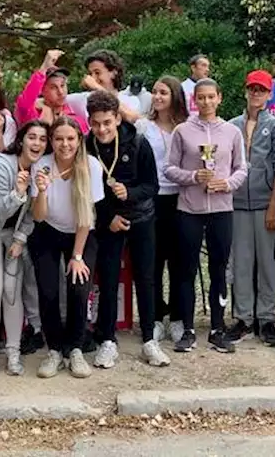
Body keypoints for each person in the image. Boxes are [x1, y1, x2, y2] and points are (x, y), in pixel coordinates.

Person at [85, 90, 168, 368]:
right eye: (96, 123)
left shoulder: (138, 142)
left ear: (117, 118)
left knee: (145, 279)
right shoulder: (86, 147)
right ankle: (107, 340)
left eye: (107, 122)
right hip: (108, 222)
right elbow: (85, 192)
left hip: (141, 218)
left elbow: (152, 186)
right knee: (107, 280)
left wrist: (129, 193)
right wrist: (108, 217)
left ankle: (148, 339)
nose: (102, 129)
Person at [164, 79, 247, 354]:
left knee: (219, 269)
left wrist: (227, 184)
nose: (206, 102)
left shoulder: (231, 131)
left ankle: (216, 327)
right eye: (201, 98)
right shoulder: (182, 131)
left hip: (222, 209)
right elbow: (169, 168)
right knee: (186, 269)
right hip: (189, 209)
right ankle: (187, 329)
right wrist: (192, 176)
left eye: (211, 97)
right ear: (194, 101)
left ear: (219, 98)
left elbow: (241, 169)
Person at [0, 120, 47, 377]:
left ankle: (13, 351)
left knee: (12, 292)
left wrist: (21, 239)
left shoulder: (40, 170)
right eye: (32, 137)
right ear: (21, 139)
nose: (36, 143)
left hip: (13, 235)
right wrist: (18, 191)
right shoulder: (0, 165)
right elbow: (1, 210)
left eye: (42, 139)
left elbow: (32, 214)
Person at [30, 116, 103, 379]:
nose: (65, 144)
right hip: (48, 232)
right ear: (51, 141)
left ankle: (75, 348)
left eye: (70, 138)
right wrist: (40, 191)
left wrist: (77, 255)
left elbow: (87, 216)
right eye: (59, 138)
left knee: (78, 289)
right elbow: (38, 217)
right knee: (48, 291)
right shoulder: (43, 165)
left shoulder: (91, 166)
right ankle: (54, 350)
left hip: (81, 233)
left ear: (79, 140)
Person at [229, 71, 275, 347]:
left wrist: (274, 205)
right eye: (252, 88)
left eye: (261, 90)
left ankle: (266, 317)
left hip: (265, 204)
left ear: (269, 93)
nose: (256, 94)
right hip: (237, 203)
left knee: (267, 263)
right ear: (245, 90)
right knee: (240, 262)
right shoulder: (232, 125)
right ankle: (243, 318)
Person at [139, 76, 187, 347]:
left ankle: (179, 319)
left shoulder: (186, 127)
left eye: (163, 93)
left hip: (181, 200)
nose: (157, 97)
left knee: (179, 262)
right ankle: (156, 317)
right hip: (152, 199)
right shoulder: (143, 126)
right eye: (155, 92)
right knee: (152, 262)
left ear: (174, 97)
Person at [15, 50, 89, 132]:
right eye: (53, 87)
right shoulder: (33, 115)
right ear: (42, 91)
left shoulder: (77, 121)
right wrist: (44, 68)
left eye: (62, 85)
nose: (60, 92)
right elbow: (24, 103)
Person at [66, 49, 142, 121]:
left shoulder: (131, 101)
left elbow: (132, 118)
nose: (93, 78)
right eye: (90, 74)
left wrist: (97, 87)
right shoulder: (82, 99)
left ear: (113, 72)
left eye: (97, 73)